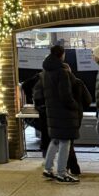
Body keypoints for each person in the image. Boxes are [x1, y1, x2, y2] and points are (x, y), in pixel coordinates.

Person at [39, 45, 80, 184]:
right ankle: (62, 173)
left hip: (52, 111)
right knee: (65, 141)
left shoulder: (46, 71)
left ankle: (48, 168)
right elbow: (65, 95)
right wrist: (75, 106)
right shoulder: (62, 72)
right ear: (61, 55)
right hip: (63, 112)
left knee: (55, 140)